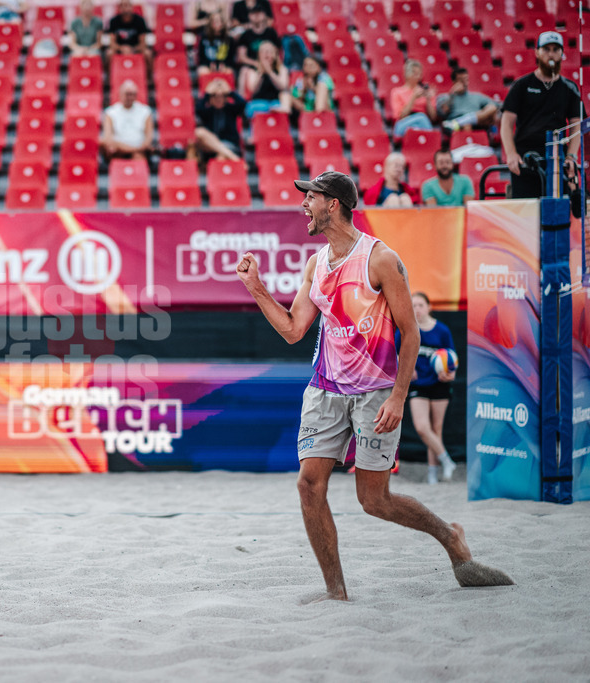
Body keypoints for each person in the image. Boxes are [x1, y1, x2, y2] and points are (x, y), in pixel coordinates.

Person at [235, 170, 514, 600]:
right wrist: (256, 289)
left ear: (333, 204)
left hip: (375, 393)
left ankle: (451, 538)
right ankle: (336, 593)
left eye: (310, 198)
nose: (303, 206)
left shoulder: (380, 258)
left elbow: (411, 333)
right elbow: (293, 330)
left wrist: (400, 397)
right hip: (326, 390)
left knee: (374, 500)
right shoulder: (316, 263)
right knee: (309, 485)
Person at [501, 31, 582, 199]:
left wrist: (571, 156)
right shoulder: (521, 86)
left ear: (562, 54)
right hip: (525, 160)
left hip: (556, 159)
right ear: (537, 52)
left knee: (557, 215)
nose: (551, 54)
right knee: (526, 216)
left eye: (555, 49)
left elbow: (576, 126)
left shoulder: (570, 88)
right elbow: (506, 123)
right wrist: (511, 154)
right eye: (546, 49)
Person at [397, 291, 458, 485]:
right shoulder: (406, 330)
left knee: (436, 429)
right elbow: (394, 356)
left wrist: (450, 373)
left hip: (439, 385)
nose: (417, 309)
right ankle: (447, 461)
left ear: (429, 307)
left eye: (420, 305)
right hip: (418, 385)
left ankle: (433, 475)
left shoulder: (442, 331)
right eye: (413, 306)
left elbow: (452, 358)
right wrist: (405, 367)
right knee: (423, 428)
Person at [99, 79, 155, 161]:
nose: (129, 97)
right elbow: (108, 138)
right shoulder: (110, 112)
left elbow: (149, 137)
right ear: (120, 94)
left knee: (138, 157)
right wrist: (136, 149)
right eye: (127, 94)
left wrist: (140, 147)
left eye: (132, 94)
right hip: (118, 150)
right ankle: (134, 151)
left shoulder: (145, 111)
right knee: (103, 142)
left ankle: (134, 153)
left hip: (138, 147)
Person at [193, 77, 246, 162]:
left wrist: (229, 91)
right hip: (211, 146)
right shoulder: (208, 111)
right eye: (214, 96)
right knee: (199, 132)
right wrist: (208, 92)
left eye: (221, 96)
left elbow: (242, 103)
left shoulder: (231, 109)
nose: (218, 99)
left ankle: (228, 155)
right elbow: (198, 108)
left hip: (229, 144)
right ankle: (234, 158)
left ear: (226, 98)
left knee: (221, 158)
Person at [437, 67, 500, 133]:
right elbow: (443, 112)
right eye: (461, 81)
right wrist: (452, 94)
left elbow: (497, 105)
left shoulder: (476, 96)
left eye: (466, 80)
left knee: (492, 107)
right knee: (467, 125)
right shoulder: (445, 97)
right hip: (456, 127)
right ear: (454, 82)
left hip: (478, 124)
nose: (465, 83)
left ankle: (462, 121)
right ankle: (462, 123)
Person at [240, 40, 291, 116]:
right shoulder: (253, 70)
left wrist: (270, 72)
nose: (268, 55)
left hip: (276, 102)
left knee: (282, 102)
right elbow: (252, 89)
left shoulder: (282, 69)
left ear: (275, 54)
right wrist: (261, 72)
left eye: (271, 52)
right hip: (258, 102)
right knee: (254, 108)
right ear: (259, 54)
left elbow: (283, 87)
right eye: (264, 52)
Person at [389, 59, 438, 139]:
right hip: (403, 123)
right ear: (407, 75)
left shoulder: (424, 90)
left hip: (422, 124)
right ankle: (431, 140)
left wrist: (428, 99)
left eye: (419, 74)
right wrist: (413, 98)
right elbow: (401, 116)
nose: (418, 77)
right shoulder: (396, 92)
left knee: (416, 127)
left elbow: (433, 117)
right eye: (415, 74)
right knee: (421, 117)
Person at [234, 4, 280, 73]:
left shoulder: (271, 33)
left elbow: (277, 52)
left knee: (282, 70)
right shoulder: (245, 35)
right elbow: (242, 57)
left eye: (259, 13)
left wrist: (267, 64)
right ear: (249, 16)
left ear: (264, 15)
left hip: (270, 65)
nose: (256, 15)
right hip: (252, 67)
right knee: (245, 71)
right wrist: (256, 64)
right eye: (253, 13)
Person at [106, 0, 151, 69]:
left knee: (148, 53)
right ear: (119, 8)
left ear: (132, 7)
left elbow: (143, 43)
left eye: (127, 5)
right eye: (123, 6)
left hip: (135, 48)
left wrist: (132, 49)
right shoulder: (114, 21)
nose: (125, 8)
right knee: (109, 53)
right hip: (119, 48)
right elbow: (112, 43)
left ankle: (149, 77)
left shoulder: (140, 20)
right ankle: (109, 77)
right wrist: (122, 48)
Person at [196, 12, 236, 79]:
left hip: (224, 64)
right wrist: (209, 64)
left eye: (220, 21)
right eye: (215, 21)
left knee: (229, 71)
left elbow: (231, 58)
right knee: (203, 71)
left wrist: (224, 65)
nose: (218, 24)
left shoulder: (229, 39)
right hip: (207, 64)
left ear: (223, 23)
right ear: (211, 23)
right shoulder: (204, 38)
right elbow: (201, 57)